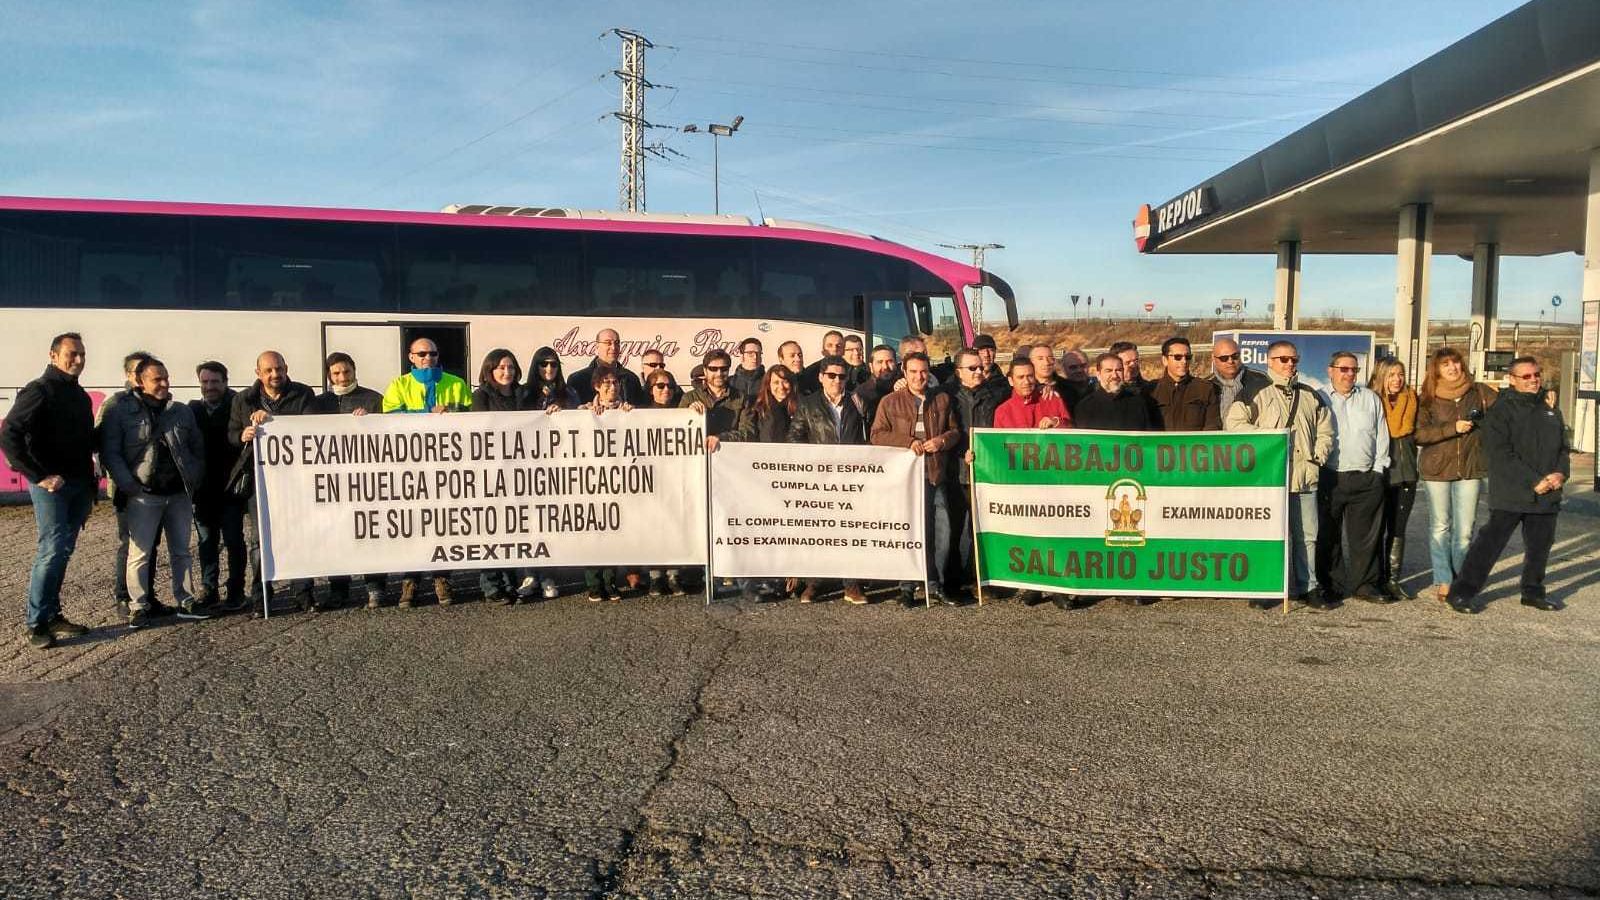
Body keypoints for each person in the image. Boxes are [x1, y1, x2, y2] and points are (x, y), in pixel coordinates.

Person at [1445, 357, 1569, 614]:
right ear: (1512, 380)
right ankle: (1461, 592)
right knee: (1490, 544)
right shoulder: (1500, 411)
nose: (1534, 380)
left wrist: (1560, 473)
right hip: (1513, 490)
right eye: (1526, 376)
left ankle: (1532, 592)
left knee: (1540, 546)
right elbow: (1500, 454)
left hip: (1548, 492)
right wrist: (1534, 480)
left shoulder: (1550, 407)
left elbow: (1562, 447)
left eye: (1536, 374)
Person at [100, 357, 209, 628]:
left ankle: (186, 600)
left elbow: (196, 447)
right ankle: (138, 605)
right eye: (156, 379)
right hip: (143, 494)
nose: (163, 383)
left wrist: (194, 475)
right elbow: (110, 453)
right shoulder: (119, 410)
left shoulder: (181, 411)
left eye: (166, 378)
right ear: (139, 381)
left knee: (181, 551)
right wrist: (129, 484)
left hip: (178, 494)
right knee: (140, 553)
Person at [2, 333, 95, 649]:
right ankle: (37, 623)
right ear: (53, 355)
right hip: (53, 489)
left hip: (79, 487)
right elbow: (9, 434)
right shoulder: (39, 391)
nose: (79, 360)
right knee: (52, 551)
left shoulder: (79, 396)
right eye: (72, 353)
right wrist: (38, 476)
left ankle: (53, 614)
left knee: (62, 552)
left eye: (82, 354)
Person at [1225, 341, 1333, 608]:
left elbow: (1326, 430)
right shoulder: (1254, 392)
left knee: (1308, 535)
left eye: (1293, 360)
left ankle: (1308, 586)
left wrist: (1317, 457)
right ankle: (1268, 586)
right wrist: (1269, 440)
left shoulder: (1310, 394)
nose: (1289, 365)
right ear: (1270, 361)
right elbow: (1234, 425)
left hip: (1304, 476)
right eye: (1283, 359)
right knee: (1270, 535)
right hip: (1271, 479)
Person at [383, 337, 471, 608]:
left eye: (432, 354)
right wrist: (425, 413)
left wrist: (450, 413)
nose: (427, 358)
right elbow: (388, 421)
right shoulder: (398, 385)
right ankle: (410, 581)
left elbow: (474, 420)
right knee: (413, 526)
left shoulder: (456, 383)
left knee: (444, 523)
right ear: (410, 357)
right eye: (421, 354)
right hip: (411, 470)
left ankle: (442, 578)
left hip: (447, 469)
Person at [231, 351, 318, 613]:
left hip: (296, 481)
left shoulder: (303, 394)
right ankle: (261, 597)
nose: (275, 374)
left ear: (286, 368)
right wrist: (243, 434)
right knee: (259, 541)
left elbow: (312, 429)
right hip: (260, 482)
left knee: (299, 536)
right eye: (268, 370)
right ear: (258, 372)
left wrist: (275, 423)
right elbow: (231, 434)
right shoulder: (243, 400)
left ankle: (303, 594)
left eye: (279, 369)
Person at [870, 352, 959, 606]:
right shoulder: (890, 402)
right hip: (905, 478)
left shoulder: (942, 399)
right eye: (913, 372)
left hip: (935, 474)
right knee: (909, 530)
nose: (919, 377)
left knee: (942, 530)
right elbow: (877, 435)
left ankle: (936, 584)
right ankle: (907, 586)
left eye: (923, 371)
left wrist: (942, 441)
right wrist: (908, 442)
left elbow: (955, 431)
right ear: (904, 372)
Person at [1413, 347, 1496, 605]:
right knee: (1440, 526)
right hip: (1436, 469)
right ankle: (1444, 579)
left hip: (1471, 468)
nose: (1452, 368)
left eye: (1456, 363)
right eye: (1445, 364)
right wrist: (1452, 428)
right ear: (1436, 370)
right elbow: (1419, 435)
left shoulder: (1480, 392)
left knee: (1465, 530)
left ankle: (1461, 579)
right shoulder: (1426, 398)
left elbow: (1506, 413)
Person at [789, 355, 870, 604]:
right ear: (821, 377)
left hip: (851, 478)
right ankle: (815, 582)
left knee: (850, 531)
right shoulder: (808, 404)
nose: (837, 380)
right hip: (819, 478)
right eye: (831, 375)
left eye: (842, 376)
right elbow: (794, 437)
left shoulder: (858, 401)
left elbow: (869, 436)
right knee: (820, 531)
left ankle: (851, 584)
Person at [311, 352, 388, 610]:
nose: (342, 377)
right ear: (328, 376)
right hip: (333, 482)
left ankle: (375, 587)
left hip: (368, 480)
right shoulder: (318, 403)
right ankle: (338, 589)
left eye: (346, 371)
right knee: (336, 536)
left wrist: (372, 421)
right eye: (336, 373)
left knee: (371, 534)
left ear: (355, 370)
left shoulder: (374, 399)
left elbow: (390, 435)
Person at [1315, 351, 1390, 605]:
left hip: (1366, 478)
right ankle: (1331, 585)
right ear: (1330, 370)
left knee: (1366, 538)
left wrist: (1379, 469)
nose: (1349, 374)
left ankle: (1365, 585)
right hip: (1331, 476)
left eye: (1354, 370)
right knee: (1329, 536)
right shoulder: (1320, 397)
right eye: (1344, 369)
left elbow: (1381, 435)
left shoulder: (1370, 398)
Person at [724, 365, 801, 601]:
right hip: (757, 479)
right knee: (756, 531)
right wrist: (720, 438)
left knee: (780, 532)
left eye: (785, 382)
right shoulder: (756, 409)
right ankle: (749, 582)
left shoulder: (799, 408)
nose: (781, 387)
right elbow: (745, 434)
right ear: (767, 385)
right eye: (776, 382)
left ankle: (777, 578)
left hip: (788, 480)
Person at [101, 351, 166, 616]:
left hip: (153, 490)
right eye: (138, 371)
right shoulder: (115, 405)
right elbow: (106, 450)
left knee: (150, 545)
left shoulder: (156, 405)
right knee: (131, 545)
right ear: (131, 376)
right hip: (128, 491)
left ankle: (147, 597)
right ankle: (124, 598)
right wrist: (128, 485)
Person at [189, 361, 249, 613]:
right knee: (206, 541)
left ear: (225, 382)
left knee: (234, 540)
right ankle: (209, 589)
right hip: (204, 490)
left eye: (215, 382)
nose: (209, 387)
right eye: (205, 382)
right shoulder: (193, 410)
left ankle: (236, 590)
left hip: (231, 488)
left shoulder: (238, 406)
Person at [471, 349, 528, 605]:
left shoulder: (523, 394)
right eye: (502, 368)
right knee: (491, 528)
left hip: (519, 471)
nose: (507, 372)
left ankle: (510, 582)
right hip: (490, 473)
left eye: (511, 368)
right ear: (490, 370)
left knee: (514, 527)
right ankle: (491, 585)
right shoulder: (481, 396)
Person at [520, 347, 576, 600]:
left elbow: (580, 420)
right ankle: (531, 573)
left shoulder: (569, 392)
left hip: (558, 466)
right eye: (543, 364)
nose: (549, 369)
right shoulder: (524, 392)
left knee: (551, 521)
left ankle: (549, 575)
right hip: (529, 466)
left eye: (553, 364)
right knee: (530, 522)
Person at [947, 348, 1002, 600]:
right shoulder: (945, 397)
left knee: (980, 530)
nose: (980, 371)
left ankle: (979, 580)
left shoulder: (996, 395)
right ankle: (953, 582)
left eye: (980, 367)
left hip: (986, 473)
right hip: (956, 473)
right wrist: (960, 454)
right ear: (959, 372)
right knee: (954, 531)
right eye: (973, 368)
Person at [1370, 358, 1419, 602]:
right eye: (1391, 375)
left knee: (1398, 528)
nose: (1397, 379)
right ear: (1381, 377)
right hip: (1379, 474)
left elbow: (1424, 431)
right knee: (1376, 528)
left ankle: (1393, 579)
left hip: (1406, 474)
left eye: (1400, 374)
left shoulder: (1413, 400)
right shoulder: (1370, 401)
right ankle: (1375, 579)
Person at [583, 369, 633, 601]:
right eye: (606, 383)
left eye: (615, 383)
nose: (611, 387)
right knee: (594, 531)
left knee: (615, 530)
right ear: (596, 386)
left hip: (619, 480)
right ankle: (594, 584)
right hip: (591, 481)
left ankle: (610, 582)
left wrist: (630, 415)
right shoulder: (584, 411)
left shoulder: (629, 411)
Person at [641, 368, 689, 598]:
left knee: (674, 524)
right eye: (660, 386)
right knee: (653, 527)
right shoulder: (640, 414)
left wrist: (696, 412)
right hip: (649, 479)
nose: (666, 390)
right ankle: (655, 576)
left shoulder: (683, 412)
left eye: (670, 385)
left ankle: (673, 574)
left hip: (675, 478)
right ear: (651, 390)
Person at [682, 349, 751, 451]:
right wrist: (688, 414)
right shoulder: (689, 398)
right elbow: (679, 430)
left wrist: (720, 438)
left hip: (729, 458)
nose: (719, 373)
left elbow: (747, 433)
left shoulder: (742, 398)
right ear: (705, 371)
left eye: (724, 369)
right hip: (697, 459)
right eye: (713, 369)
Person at [1148, 337, 1221, 431]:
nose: (1184, 361)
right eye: (1177, 357)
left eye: (1187, 357)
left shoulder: (1205, 389)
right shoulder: (1151, 390)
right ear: (1165, 360)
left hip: (1195, 445)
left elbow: (1212, 425)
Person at [1073, 354, 1162, 430]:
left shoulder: (1138, 403)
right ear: (1099, 375)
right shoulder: (1085, 406)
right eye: (1108, 371)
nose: (1114, 375)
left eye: (1119, 370)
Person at [569, 328, 645, 406]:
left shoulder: (631, 379)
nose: (613, 347)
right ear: (597, 347)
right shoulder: (578, 379)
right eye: (608, 343)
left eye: (617, 343)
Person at [992, 359, 1071, 430]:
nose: (1027, 382)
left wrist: (1056, 422)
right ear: (1011, 381)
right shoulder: (1002, 412)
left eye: (1030, 376)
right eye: (1021, 377)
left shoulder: (1053, 400)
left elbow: (1073, 431)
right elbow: (999, 443)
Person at [1209, 337, 1268, 414]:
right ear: (1213, 359)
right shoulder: (1207, 385)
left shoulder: (1260, 379)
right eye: (1224, 358)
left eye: (1235, 356)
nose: (1230, 361)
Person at [853, 344, 899, 430]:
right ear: (871, 366)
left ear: (896, 364)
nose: (885, 367)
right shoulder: (860, 394)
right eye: (880, 362)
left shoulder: (903, 389)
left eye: (890, 361)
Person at [798, 330, 844, 394]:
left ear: (843, 350)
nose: (834, 349)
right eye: (830, 345)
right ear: (823, 349)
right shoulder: (809, 373)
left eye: (838, 346)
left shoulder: (851, 371)